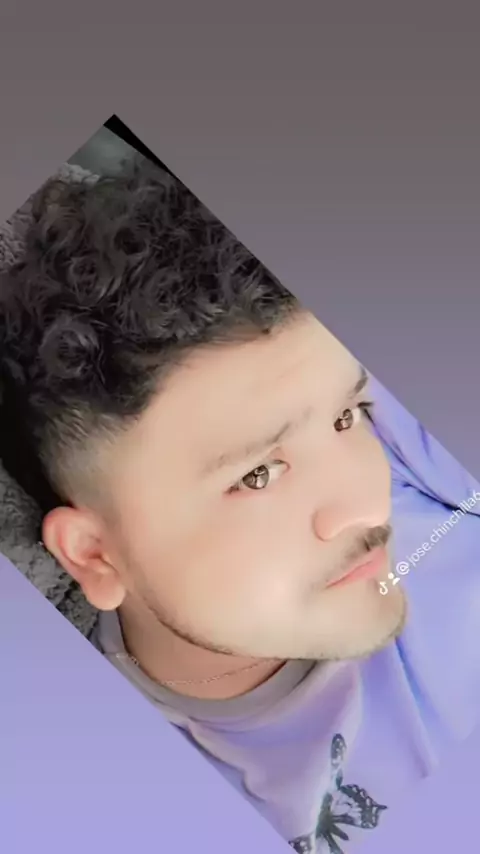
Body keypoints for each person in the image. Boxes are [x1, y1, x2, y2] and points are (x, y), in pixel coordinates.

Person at [1, 156, 480, 854]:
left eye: (347, 417)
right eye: (258, 475)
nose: (364, 504)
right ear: (96, 556)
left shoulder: (414, 446)